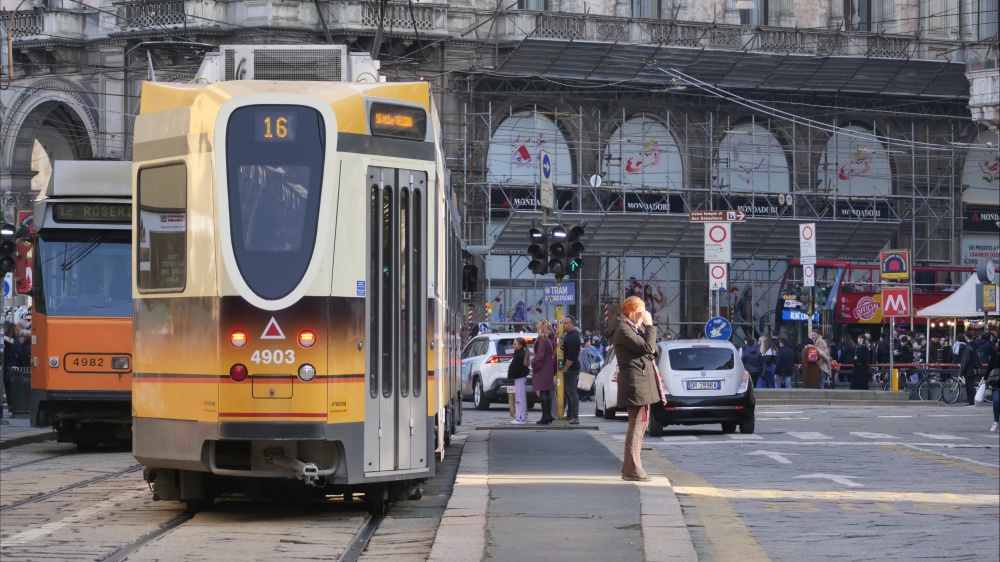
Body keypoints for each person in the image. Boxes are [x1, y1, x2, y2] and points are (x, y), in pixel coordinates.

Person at [612, 295, 664, 482]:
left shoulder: (633, 328)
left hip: (640, 381)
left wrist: (648, 338)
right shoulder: (624, 330)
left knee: (640, 426)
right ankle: (633, 469)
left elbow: (653, 348)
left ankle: (630, 467)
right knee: (636, 427)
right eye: (642, 311)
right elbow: (648, 347)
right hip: (635, 383)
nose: (645, 315)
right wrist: (650, 326)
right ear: (633, 312)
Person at [531, 320, 557, 424]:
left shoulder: (542, 340)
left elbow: (540, 356)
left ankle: (545, 416)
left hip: (541, 368)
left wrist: (534, 363)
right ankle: (548, 415)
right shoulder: (551, 340)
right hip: (549, 367)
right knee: (547, 392)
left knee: (543, 392)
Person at [561, 315, 583, 424]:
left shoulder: (573, 337)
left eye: (565, 323)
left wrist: (565, 369)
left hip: (571, 369)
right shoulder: (569, 335)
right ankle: (569, 415)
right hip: (570, 368)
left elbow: (572, 356)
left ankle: (574, 416)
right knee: (568, 393)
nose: (563, 325)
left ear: (572, 324)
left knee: (572, 393)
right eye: (563, 322)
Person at [507, 337, 530, 425]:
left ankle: (520, 418)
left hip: (519, 378)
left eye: (515, 344)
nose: (513, 345)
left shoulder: (519, 355)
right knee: (520, 397)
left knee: (519, 398)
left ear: (520, 345)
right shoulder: (520, 354)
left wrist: (513, 373)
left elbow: (517, 368)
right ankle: (520, 417)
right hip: (519, 378)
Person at [958, 332, 981, 407]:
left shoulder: (968, 347)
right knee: (973, 385)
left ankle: (971, 401)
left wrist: (962, 371)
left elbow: (965, 360)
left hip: (969, 370)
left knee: (969, 386)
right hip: (976, 368)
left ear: (966, 337)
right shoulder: (976, 346)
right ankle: (974, 400)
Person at [987, 340, 999, 432]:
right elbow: (990, 366)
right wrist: (985, 378)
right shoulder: (995, 353)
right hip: (996, 382)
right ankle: (996, 421)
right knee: (996, 401)